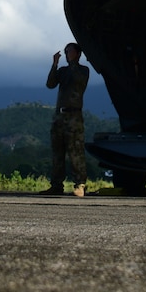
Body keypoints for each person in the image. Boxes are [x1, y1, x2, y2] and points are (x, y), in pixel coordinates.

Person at [45, 42, 91, 197]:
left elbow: (78, 80)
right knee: (57, 151)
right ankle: (56, 185)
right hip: (60, 115)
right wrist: (55, 65)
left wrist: (72, 62)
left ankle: (80, 184)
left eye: (69, 52)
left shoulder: (83, 70)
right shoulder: (63, 71)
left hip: (74, 117)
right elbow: (50, 84)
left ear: (77, 54)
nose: (66, 55)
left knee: (75, 151)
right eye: (65, 52)